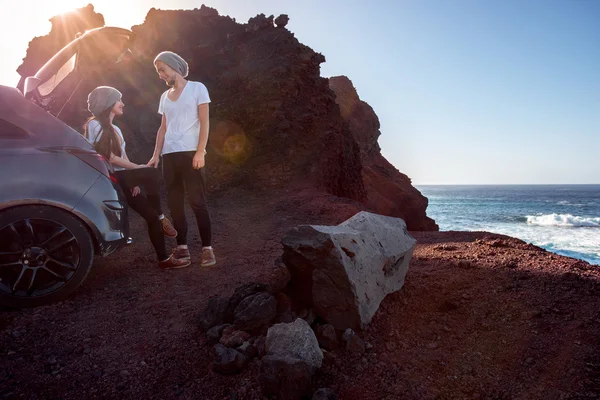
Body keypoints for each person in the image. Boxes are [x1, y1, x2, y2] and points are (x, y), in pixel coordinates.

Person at [85, 86, 190, 269]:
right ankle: (162, 216)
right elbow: (109, 157)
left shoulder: (115, 129)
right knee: (151, 172)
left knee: (151, 217)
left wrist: (135, 178)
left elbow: (123, 155)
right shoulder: (94, 125)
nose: (123, 104)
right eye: (119, 100)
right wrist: (138, 169)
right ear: (108, 103)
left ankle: (164, 260)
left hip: (125, 178)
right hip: (112, 178)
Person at [147, 51, 216, 267]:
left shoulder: (197, 88)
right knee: (175, 204)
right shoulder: (164, 97)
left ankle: (207, 249)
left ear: (173, 66)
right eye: (158, 71)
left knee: (198, 203)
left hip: (190, 153)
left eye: (162, 69)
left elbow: (205, 122)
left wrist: (200, 151)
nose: (160, 74)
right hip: (169, 155)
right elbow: (163, 127)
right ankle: (183, 248)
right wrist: (156, 154)